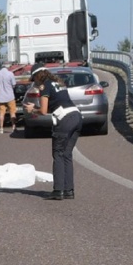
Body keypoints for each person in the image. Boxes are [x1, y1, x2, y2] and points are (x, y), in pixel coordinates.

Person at [32, 68, 79, 200]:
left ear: (38, 76)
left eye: (34, 79)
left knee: (58, 154)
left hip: (64, 119)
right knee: (67, 155)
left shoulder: (44, 85)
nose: (34, 82)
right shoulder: (59, 82)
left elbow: (43, 110)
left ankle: (58, 190)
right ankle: (69, 190)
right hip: (76, 116)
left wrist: (32, 109)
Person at [0, 63, 17, 134]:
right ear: (7, 68)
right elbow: (14, 84)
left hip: (1, 97)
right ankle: (14, 127)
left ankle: (1, 128)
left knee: (1, 113)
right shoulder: (10, 74)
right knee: (12, 113)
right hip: (10, 96)